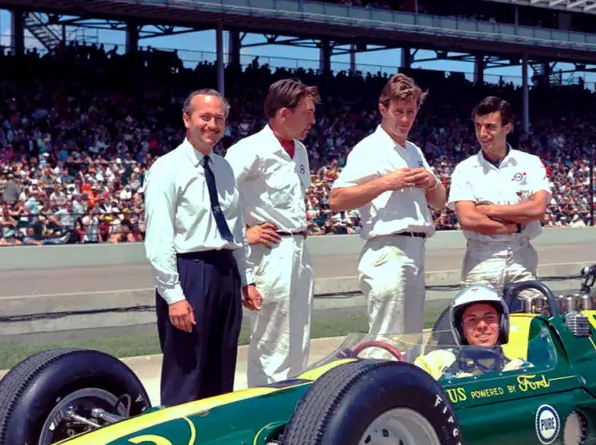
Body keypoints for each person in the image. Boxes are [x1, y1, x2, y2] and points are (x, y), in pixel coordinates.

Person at [144, 88, 263, 406]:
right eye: (204, 117)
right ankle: (179, 443)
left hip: (225, 273)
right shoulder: (166, 169)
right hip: (191, 271)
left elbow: (236, 230)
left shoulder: (224, 169)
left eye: (219, 118)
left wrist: (246, 279)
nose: (212, 124)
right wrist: (174, 296)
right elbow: (159, 238)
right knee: (186, 371)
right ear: (187, 119)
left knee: (221, 368)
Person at [329, 73, 446, 341]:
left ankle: (406, 384)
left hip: (416, 248)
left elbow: (440, 201)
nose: (405, 119)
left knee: (411, 338)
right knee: (387, 339)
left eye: (410, 112)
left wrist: (431, 182)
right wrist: (386, 182)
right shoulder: (368, 148)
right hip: (387, 249)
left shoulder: (414, 151)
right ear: (383, 109)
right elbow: (336, 199)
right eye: (398, 112)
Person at [225, 79, 319, 387]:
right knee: (271, 340)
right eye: (307, 113)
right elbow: (218, 198)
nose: (313, 120)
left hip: (299, 247)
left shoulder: (300, 151)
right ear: (283, 114)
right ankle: (265, 406)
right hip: (269, 252)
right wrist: (242, 234)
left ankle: (294, 405)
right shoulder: (250, 150)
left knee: (298, 336)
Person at [447, 96, 554, 291]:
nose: (482, 133)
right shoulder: (465, 169)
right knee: (482, 319)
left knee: (529, 317)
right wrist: (515, 225)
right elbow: (468, 219)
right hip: (481, 260)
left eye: (490, 126)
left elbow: (537, 208)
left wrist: (488, 209)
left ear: (507, 127)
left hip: (521, 257)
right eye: (478, 126)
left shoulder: (530, 163)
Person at [414, 285, 525, 380]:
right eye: (472, 320)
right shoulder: (436, 362)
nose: (482, 326)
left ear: (501, 325)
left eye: (490, 318)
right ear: (461, 329)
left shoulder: (519, 369)